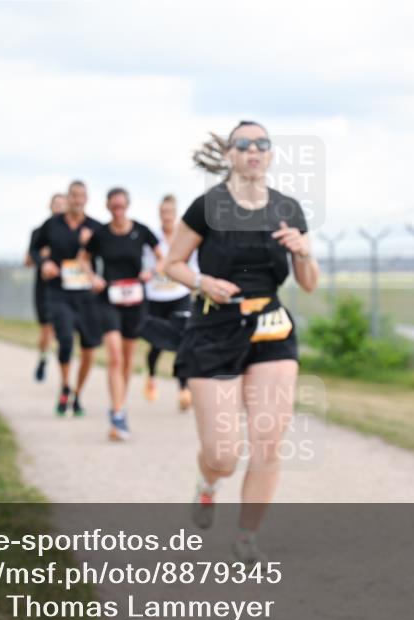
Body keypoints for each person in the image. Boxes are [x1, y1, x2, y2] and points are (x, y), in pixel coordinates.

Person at [165, 121, 318, 563]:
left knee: (268, 439)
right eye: (243, 144)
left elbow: (308, 283)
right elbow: (171, 263)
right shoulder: (207, 206)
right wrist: (202, 281)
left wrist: (304, 251)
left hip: (271, 329)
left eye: (262, 144)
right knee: (223, 453)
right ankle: (208, 483)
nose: (253, 150)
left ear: (269, 155)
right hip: (214, 329)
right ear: (230, 155)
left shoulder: (288, 208)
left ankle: (246, 537)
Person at [82, 187, 164, 441]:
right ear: (108, 207)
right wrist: (93, 277)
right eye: (113, 207)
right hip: (108, 299)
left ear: (127, 206)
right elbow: (83, 259)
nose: (118, 211)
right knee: (115, 356)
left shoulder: (141, 230)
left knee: (128, 358)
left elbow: (162, 257)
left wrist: (151, 272)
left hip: (135, 299)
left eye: (121, 207)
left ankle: (120, 404)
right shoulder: (101, 234)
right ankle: (117, 413)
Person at [31, 180, 103, 417]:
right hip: (58, 291)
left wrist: (90, 245)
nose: (77, 199)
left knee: (89, 347)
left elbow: (109, 254)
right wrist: (45, 262)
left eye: (82, 195)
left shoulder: (95, 227)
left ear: (87, 199)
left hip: (86, 294)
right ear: (68, 198)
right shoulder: (52, 225)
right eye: (73, 195)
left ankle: (78, 394)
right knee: (65, 340)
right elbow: (34, 248)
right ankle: (64, 386)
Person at [143, 194, 196, 411]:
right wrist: (150, 272)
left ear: (175, 215)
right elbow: (146, 266)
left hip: (179, 295)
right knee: (157, 343)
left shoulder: (184, 238)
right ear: (159, 214)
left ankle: (183, 389)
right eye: (163, 212)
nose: (166, 216)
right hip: (156, 296)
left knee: (183, 342)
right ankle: (152, 376)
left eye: (170, 213)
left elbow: (194, 265)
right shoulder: (151, 239)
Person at [27, 193, 67, 381]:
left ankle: (63, 367)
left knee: (63, 330)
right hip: (43, 288)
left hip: (65, 288)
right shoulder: (39, 232)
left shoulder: (72, 231)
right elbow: (28, 260)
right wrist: (42, 257)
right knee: (46, 330)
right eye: (56, 204)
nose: (59, 207)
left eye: (62, 204)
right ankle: (43, 358)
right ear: (50, 206)